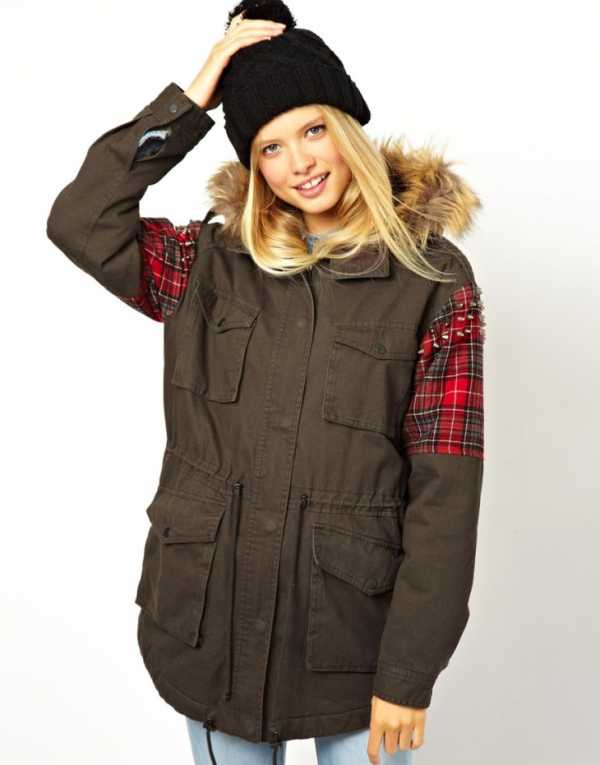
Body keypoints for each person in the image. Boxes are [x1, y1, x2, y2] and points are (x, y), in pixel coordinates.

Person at [46, 1, 486, 763]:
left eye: (313, 130)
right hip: (211, 627)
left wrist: (410, 671)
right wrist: (191, 101)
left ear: (346, 126)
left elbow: (447, 492)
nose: (300, 163)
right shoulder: (208, 264)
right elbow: (81, 220)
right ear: (253, 165)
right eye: (270, 147)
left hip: (352, 642)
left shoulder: (433, 280)